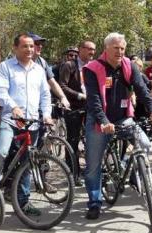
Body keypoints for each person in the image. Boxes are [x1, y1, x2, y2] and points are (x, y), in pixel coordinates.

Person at [83, 32, 152, 220]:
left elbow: (142, 91)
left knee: (144, 143)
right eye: (116, 48)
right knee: (93, 166)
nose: (120, 52)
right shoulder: (92, 68)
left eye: (123, 48)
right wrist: (104, 121)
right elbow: (93, 101)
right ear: (106, 48)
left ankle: (135, 170)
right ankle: (94, 202)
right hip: (99, 121)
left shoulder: (129, 66)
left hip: (123, 118)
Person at [0, 33, 53, 216]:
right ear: (15, 48)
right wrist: (13, 106)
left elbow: (45, 96)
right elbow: (0, 91)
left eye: (32, 46)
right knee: (1, 152)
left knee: (27, 164)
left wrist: (46, 115)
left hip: (31, 124)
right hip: (10, 120)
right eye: (25, 46)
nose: (30, 50)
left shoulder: (39, 70)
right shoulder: (5, 67)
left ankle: (23, 202)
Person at [58, 40, 96, 186]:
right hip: (74, 107)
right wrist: (79, 96)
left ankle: (91, 171)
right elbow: (62, 86)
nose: (92, 52)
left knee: (92, 139)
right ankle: (73, 173)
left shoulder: (93, 66)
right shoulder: (69, 65)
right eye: (89, 49)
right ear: (80, 49)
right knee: (73, 140)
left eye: (94, 49)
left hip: (90, 107)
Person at [28, 32, 70, 109]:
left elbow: (53, 83)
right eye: (37, 43)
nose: (40, 46)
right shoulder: (11, 65)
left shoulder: (42, 62)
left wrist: (63, 97)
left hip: (40, 107)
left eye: (41, 44)